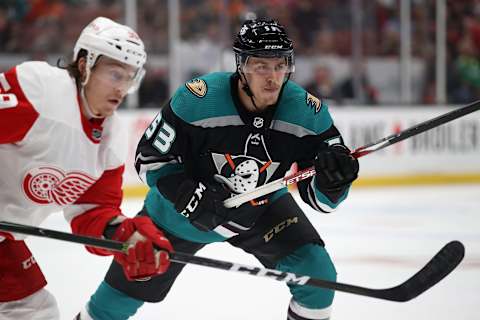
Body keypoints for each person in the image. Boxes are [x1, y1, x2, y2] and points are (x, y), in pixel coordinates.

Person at [79, 18, 359, 320]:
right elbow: (148, 159)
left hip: (260, 208)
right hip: (176, 216)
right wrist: (186, 193)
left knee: (317, 277)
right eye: (261, 66)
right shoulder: (198, 99)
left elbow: (320, 199)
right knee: (111, 305)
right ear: (241, 66)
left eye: (280, 66)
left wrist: (334, 182)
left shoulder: (308, 113)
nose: (273, 78)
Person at [0, 17, 173, 320]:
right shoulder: (40, 90)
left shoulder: (110, 138)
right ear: (84, 64)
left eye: (130, 78)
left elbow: (93, 213)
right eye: (115, 74)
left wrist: (126, 237)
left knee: (34, 312)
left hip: (5, 240)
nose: (122, 88)